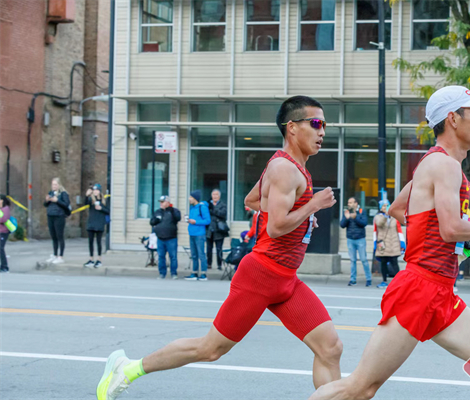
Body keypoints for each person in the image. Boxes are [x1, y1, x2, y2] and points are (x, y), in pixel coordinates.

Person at [96, 95, 342, 400]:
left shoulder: (294, 168)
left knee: (330, 347)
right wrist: (312, 206)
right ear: (292, 127)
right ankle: (128, 369)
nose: (322, 131)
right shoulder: (284, 168)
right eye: (316, 123)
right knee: (210, 349)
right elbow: (277, 226)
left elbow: (252, 201)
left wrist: (302, 218)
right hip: (262, 275)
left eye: (325, 125)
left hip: (286, 280)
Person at [309, 86, 470, 400]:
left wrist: (439, 237)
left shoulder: (436, 164)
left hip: (441, 293)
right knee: (360, 388)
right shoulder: (444, 165)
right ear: (453, 119)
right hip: (419, 291)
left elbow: (398, 209)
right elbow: (450, 229)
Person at [373, 199, 405, 289]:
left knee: (395, 263)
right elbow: (379, 224)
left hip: (393, 244)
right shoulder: (378, 217)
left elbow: (399, 230)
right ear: (380, 208)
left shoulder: (394, 217)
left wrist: (401, 244)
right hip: (383, 245)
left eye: (387, 205)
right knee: (383, 263)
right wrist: (386, 216)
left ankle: (398, 282)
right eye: (384, 206)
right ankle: (384, 281)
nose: (385, 207)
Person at [340, 197, 371, 287]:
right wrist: (346, 218)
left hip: (360, 239)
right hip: (350, 239)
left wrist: (355, 217)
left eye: (351, 202)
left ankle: (368, 279)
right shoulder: (346, 212)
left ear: (356, 203)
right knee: (352, 260)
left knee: (364, 259)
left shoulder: (361, 211)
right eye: (348, 202)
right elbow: (342, 225)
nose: (349, 204)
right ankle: (353, 280)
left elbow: (364, 223)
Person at [150, 195, 181, 279]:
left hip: (171, 238)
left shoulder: (174, 211)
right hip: (160, 238)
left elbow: (178, 218)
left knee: (173, 256)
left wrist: (172, 210)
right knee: (161, 256)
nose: (161, 203)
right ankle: (162, 273)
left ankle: (173, 273)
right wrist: (155, 220)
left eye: (162, 202)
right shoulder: (158, 212)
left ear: (167, 202)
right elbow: (152, 222)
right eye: (160, 202)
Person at [185, 190, 211, 281]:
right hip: (192, 233)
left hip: (200, 234)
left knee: (201, 254)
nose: (189, 199)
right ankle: (194, 272)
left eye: (191, 197)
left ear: (195, 198)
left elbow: (207, 220)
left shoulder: (202, 207)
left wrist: (196, 222)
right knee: (194, 254)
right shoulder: (192, 208)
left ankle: (203, 273)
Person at [44, 177, 71, 264]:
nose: (54, 186)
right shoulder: (50, 193)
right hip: (50, 215)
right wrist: (47, 200)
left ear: (59, 185)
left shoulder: (63, 194)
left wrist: (57, 200)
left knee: (59, 236)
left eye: (55, 184)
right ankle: (55, 254)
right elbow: (45, 205)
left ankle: (61, 256)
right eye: (52, 184)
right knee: (53, 236)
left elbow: (66, 204)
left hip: (59, 216)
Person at [84, 184, 109, 268]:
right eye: (94, 190)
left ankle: (99, 259)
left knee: (99, 242)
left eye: (97, 190)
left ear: (99, 191)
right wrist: (86, 196)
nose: (95, 192)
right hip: (91, 223)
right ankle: (91, 259)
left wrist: (101, 208)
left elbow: (108, 211)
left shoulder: (104, 200)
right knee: (90, 242)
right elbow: (85, 203)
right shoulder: (91, 199)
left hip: (99, 223)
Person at [207, 189, 228, 270]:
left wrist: (213, 209)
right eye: (213, 194)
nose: (215, 196)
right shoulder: (208, 205)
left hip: (219, 231)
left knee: (219, 249)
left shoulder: (223, 205)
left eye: (216, 195)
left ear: (219, 196)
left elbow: (223, 214)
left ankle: (219, 265)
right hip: (209, 230)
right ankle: (209, 264)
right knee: (209, 249)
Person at [0, 194, 12, 273]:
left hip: (4, 232)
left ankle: (5, 266)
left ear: (2, 200)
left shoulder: (5, 208)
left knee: (0, 248)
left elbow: (4, 219)